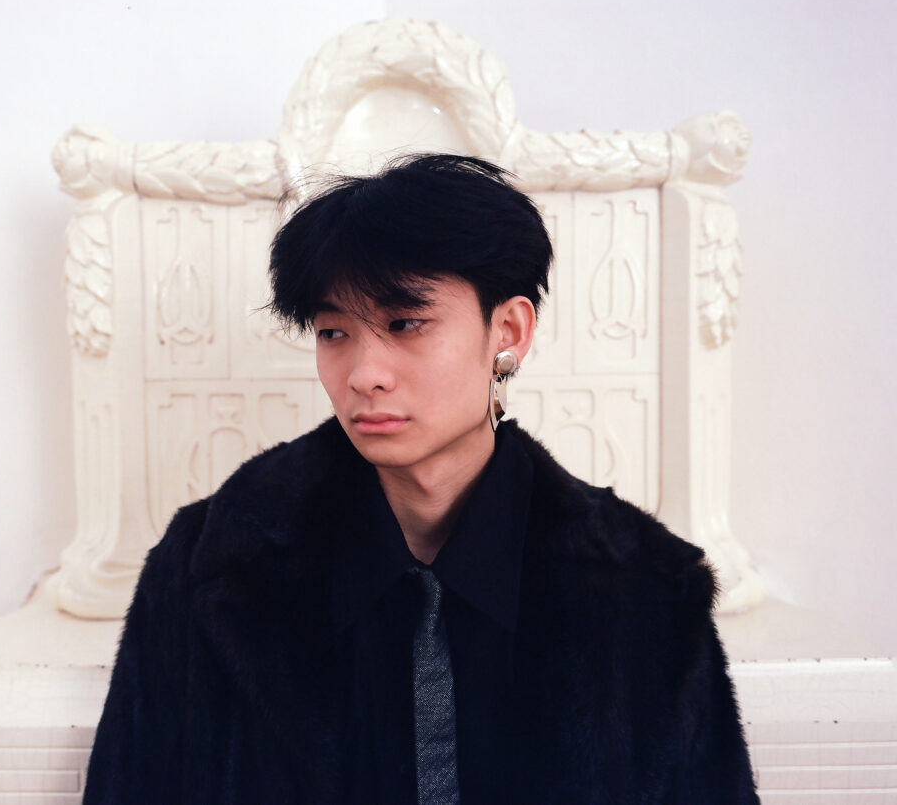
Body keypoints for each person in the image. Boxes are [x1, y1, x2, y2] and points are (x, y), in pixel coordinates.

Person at [83, 154, 760, 804]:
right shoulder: (210, 566)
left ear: (508, 331)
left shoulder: (646, 590)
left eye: (406, 323)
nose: (363, 374)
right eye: (333, 332)